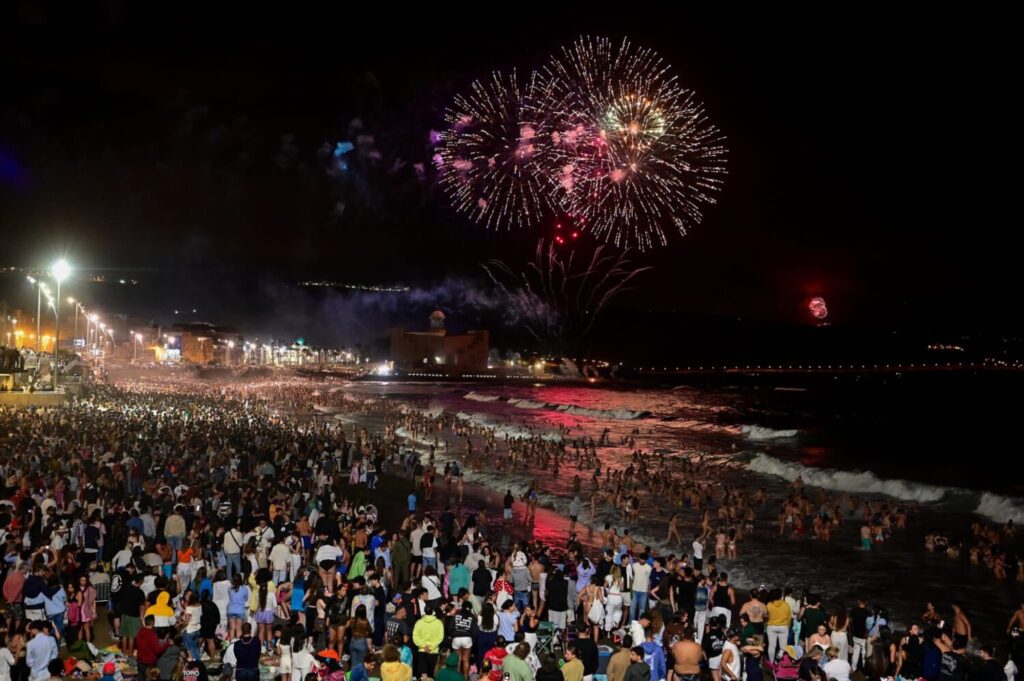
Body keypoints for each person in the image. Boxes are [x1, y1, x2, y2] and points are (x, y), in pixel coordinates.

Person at [412, 604, 443, 678]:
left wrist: (423, 646)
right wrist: (431, 647)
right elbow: (440, 637)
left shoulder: (419, 622)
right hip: (433, 651)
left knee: (424, 675)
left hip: (422, 651)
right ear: (432, 611)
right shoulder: (439, 623)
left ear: (424, 611)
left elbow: (415, 637)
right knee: (432, 674)